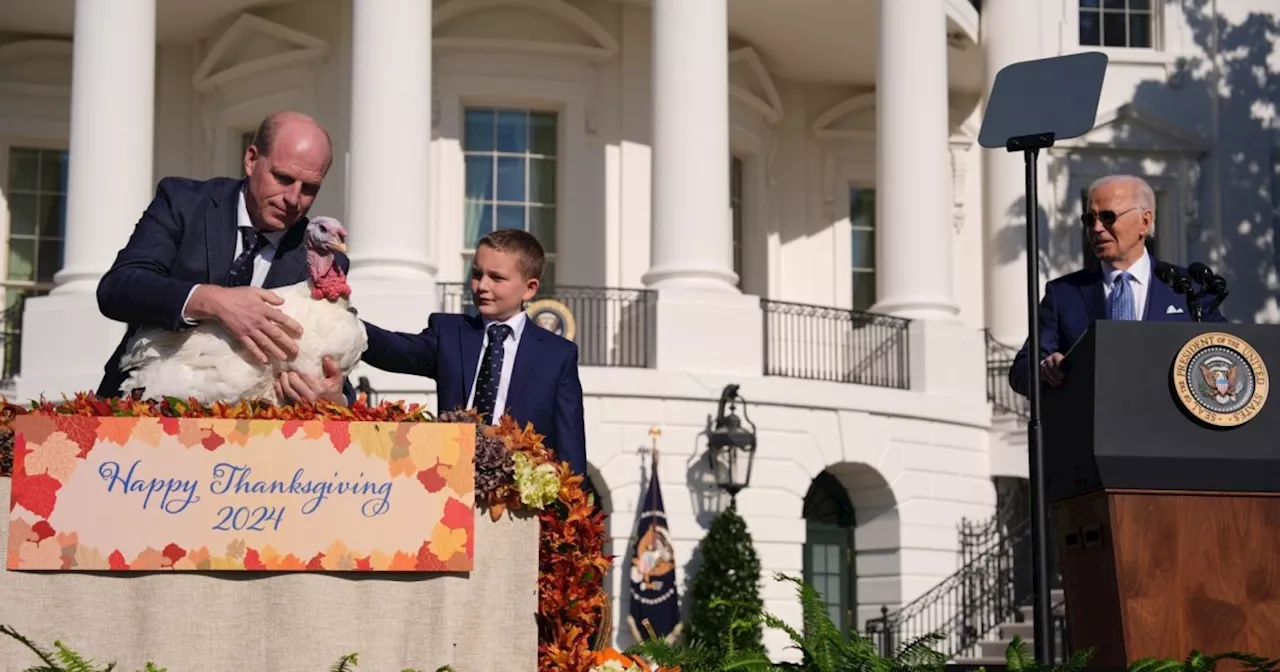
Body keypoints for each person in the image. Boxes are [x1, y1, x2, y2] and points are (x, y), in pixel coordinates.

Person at [96, 111, 353, 405]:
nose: (293, 199)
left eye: (309, 188)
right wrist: (214, 301)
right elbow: (118, 289)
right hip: (143, 409)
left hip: (254, 435)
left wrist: (335, 398)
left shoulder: (322, 259)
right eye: (283, 178)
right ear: (251, 160)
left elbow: (331, 360)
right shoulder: (183, 203)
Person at [360, 229, 588, 475]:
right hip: (449, 482)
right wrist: (339, 323)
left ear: (529, 288)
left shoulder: (557, 355)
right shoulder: (449, 334)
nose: (482, 286)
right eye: (477, 274)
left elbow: (570, 446)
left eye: (497, 278)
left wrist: (573, 508)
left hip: (519, 502)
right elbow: (393, 349)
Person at [1008, 174, 1226, 397]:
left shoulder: (1187, 288)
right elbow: (1021, 372)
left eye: (1108, 217)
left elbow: (1225, 355)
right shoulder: (1064, 293)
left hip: (1171, 424)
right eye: (1089, 219)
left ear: (1145, 221)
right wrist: (1046, 370)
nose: (1097, 228)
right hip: (1094, 426)